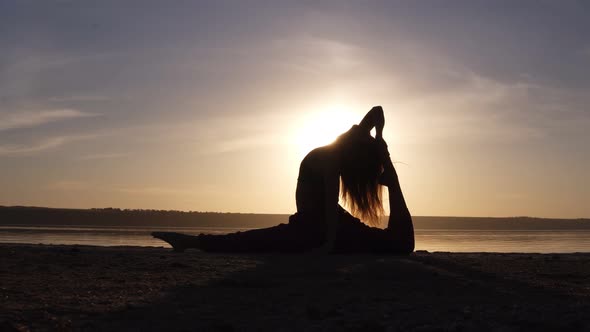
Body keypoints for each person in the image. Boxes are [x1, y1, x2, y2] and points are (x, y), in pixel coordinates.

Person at [152, 106, 414, 254]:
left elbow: (376, 112)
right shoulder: (332, 157)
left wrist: (380, 141)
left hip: (321, 227)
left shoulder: (341, 145)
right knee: (251, 241)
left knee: (399, 244)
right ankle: (190, 241)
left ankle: (190, 242)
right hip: (315, 227)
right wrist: (330, 245)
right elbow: (330, 203)